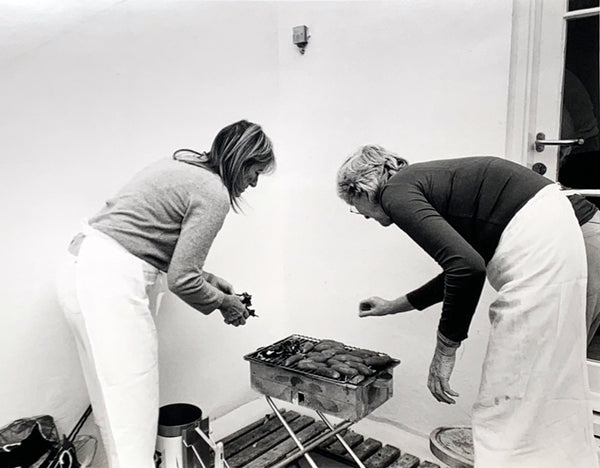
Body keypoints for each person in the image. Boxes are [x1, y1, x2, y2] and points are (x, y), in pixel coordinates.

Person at [336, 147, 597, 468]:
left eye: (354, 207)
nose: (361, 215)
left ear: (363, 190)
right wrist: (394, 306)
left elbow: (466, 268)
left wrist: (444, 353)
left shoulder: (394, 192)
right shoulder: (428, 182)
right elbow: (464, 265)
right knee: (549, 383)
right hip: (567, 230)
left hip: (556, 239)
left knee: (512, 388)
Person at [56, 120, 275, 468]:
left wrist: (212, 281)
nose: (253, 182)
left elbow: (156, 245)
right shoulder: (213, 191)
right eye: (255, 171)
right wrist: (225, 304)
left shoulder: (178, 167)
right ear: (240, 160)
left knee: (112, 404)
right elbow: (182, 279)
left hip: (81, 268)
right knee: (134, 403)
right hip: (110, 281)